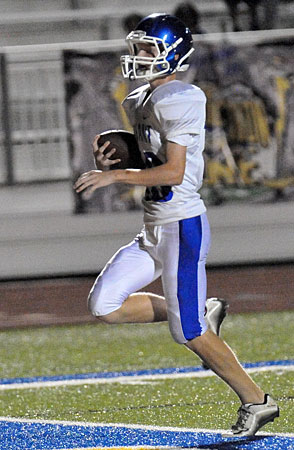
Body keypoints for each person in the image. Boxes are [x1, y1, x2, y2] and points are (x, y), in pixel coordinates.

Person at [74, 13, 279, 436]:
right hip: (153, 227)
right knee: (104, 306)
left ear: (173, 54)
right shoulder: (139, 100)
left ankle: (258, 401)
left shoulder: (181, 97)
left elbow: (171, 172)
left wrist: (115, 176)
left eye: (149, 49)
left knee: (188, 335)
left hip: (181, 226)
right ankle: (200, 312)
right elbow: (148, 157)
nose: (139, 56)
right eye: (138, 47)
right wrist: (115, 160)